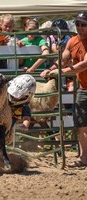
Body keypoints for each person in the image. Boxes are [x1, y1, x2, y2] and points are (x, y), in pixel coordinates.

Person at [40, 11, 87, 167]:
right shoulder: (73, 41)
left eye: (83, 25)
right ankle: (84, 158)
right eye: (78, 24)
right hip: (84, 87)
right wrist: (52, 68)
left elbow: (84, 64)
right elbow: (63, 60)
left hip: (83, 86)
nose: (80, 27)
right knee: (81, 123)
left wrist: (61, 71)